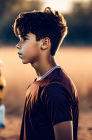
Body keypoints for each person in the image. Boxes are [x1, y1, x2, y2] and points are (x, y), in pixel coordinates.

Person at [13, 7, 79, 140]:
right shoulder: (36, 84)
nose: (18, 45)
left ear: (45, 43)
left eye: (24, 38)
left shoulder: (55, 88)